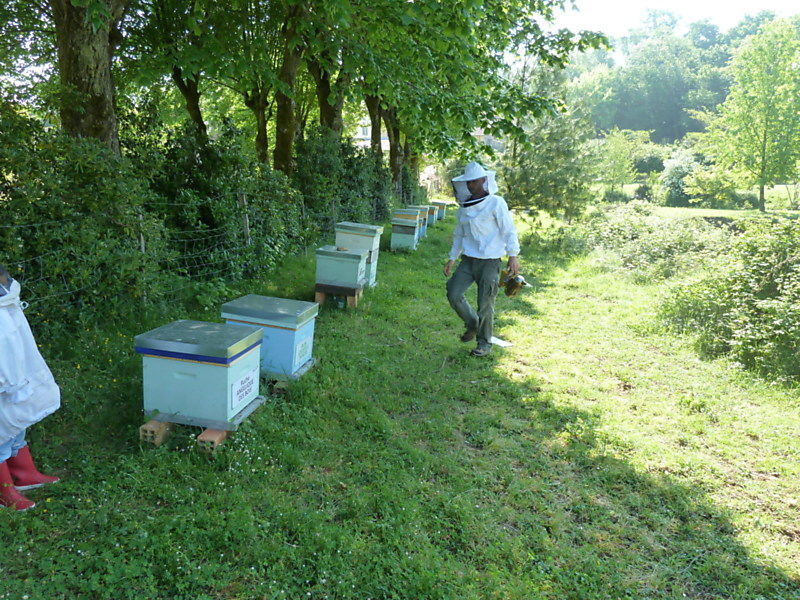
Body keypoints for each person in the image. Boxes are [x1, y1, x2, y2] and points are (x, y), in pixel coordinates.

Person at [0, 265, 61, 511]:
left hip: (15, 372)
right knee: (1, 427)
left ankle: (24, 472)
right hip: (5, 378)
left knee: (17, 417)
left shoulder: (7, 302)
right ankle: (4, 490)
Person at [444, 162, 520, 357]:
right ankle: (473, 323)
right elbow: (459, 235)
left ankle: (484, 343)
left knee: (485, 303)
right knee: (453, 292)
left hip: (490, 261)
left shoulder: (496, 203)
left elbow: (508, 230)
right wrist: (452, 258)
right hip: (468, 260)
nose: (470, 185)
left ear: (484, 180)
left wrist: (513, 256)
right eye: (468, 182)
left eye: (474, 181)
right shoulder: (464, 208)